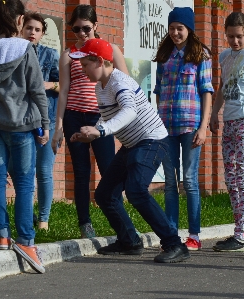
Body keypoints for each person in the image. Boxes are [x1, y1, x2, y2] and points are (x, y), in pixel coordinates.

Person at [69, 38, 190, 263]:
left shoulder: (119, 82)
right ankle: (130, 242)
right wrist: (91, 133)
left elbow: (130, 111)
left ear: (101, 61)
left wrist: (101, 131)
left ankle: (175, 244)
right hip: (133, 144)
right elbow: (110, 117)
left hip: (152, 140)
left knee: (136, 190)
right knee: (105, 194)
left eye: (85, 64)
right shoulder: (100, 87)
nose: (82, 69)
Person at [0, 0, 49, 273]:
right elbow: (36, 89)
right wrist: (46, 123)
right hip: (21, 124)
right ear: (17, 20)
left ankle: (2, 236)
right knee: (25, 183)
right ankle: (26, 240)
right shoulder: (24, 48)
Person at [51, 4, 128, 238]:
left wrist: (122, 120)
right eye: (76, 29)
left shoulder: (111, 50)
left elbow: (125, 83)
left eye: (86, 28)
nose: (82, 34)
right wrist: (58, 127)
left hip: (101, 117)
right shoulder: (68, 54)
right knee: (81, 172)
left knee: (109, 169)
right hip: (75, 116)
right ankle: (85, 224)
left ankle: (119, 221)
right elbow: (63, 91)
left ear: (95, 25)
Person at [152, 7, 213, 250]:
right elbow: (157, 91)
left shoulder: (201, 55)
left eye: (180, 28)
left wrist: (203, 127)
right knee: (169, 181)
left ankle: (194, 235)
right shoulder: (164, 56)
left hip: (190, 125)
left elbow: (207, 92)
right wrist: (157, 121)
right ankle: (171, 234)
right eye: (172, 28)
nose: (175, 32)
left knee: (189, 180)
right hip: (166, 127)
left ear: (189, 29)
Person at [209, 12, 244, 252]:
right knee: (230, 178)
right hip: (229, 120)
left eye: (240, 36)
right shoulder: (224, 56)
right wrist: (213, 113)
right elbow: (222, 86)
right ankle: (237, 231)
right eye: (230, 36)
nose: (235, 41)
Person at [22, 12, 60, 230]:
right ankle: (27, 217)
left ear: (42, 33)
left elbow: (64, 86)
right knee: (24, 171)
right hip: (23, 120)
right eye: (29, 28)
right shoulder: (16, 52)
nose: (32, 33)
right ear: (22, 29)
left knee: (44, 171)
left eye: (37, 30)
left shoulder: (51, 55)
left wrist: (48, 85)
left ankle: (43, 220)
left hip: (48, 119)